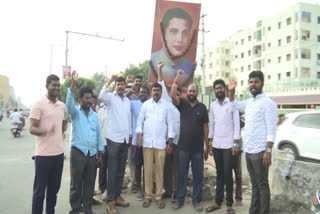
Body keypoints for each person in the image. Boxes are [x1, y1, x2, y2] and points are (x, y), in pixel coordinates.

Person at [228, 71, 277, 214]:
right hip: (248, 151)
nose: (253, 85)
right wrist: (231, 91)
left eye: (256, 82)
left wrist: (268, 151)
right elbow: (234, 105)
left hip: (261, 151)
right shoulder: (249, 102)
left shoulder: (268, 103)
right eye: (251, 82)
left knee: (262, 185)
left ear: (262, 83)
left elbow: (271, 130)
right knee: (254, 185)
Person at [170, 70, 209, 212]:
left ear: (197, 92)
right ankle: (180, 200)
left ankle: (196, 201)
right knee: (182, 175)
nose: (192, 93)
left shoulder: (203, 108)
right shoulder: (183, 104)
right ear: (187, 92)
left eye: (194, 91)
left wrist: (207, 146)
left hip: (198, 149)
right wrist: (177, 79)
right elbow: (172, 95)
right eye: (190, 91)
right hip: (183, 148)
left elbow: (205, 127)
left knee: (198, 176)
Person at [66, 71, 104, 214]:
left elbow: (98, 136)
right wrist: (73, 84)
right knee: (76, 184)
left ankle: (88, 209)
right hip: (78, 152)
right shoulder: (75, 112)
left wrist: (99, 155)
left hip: (91, 154)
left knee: (89, 183)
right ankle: (75, 209)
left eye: (90, 98)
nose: (89, 100)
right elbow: (69, 104)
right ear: (80, 99)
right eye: (86, 98)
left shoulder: (95, 116)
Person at [29, 74, 68, 214]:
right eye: (54, 85)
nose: (57, 87)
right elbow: (32, 128)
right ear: (47, 86)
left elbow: (64, 122)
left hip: (58, 155)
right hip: (43, 155)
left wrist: (61, 131)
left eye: (58, 85)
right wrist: (46, 130)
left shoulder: (62, 105)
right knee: (39, 192)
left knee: (53, 192)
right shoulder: (38, 104)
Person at [136, 82, 175, 209]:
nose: (156, 92)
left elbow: (171, 124)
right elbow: (140, 120)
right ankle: (148, 195)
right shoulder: (146, 105)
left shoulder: (167, 106)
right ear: (151, 91)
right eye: (154, 90)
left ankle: (158, 196)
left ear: (161, 92)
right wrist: (139, 133)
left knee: (159, 170)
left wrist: (170, 142)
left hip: (160, 143)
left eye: (158, 90)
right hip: (147, 142)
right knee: (147, 170)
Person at [205, 79, 240, 214]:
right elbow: (212, 125)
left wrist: (235, 143)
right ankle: (218, 201)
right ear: (214, 90)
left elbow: (236, 124)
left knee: (227, 174)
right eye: (216, 88)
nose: (218, 90)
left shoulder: (231, 103)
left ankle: (229, 204)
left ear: (225, 90)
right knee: (219, 174)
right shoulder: (213, 106)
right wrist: (210, 143)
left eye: (221, 88)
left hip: (229, 145)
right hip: (217, 144)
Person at [99, 74, 132, 214]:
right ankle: (110, 201)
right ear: (115, 86)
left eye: (122, 84)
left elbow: (128, 119)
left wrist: (130, 135)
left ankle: (117, 196)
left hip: (124, 140)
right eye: (117, 85)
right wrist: (110, 80)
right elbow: (101, 95)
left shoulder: (127, 101)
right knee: (112, 171)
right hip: (113, 140)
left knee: (120, 171)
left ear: (125, 86)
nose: (120, 87)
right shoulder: (111, 98)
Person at [151, 7, 195, 88]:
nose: (180, 39)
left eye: (185, 33)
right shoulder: (152, 61)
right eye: (174, 31)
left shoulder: (190, 67)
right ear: (162, 35)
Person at [157, 61, 180, 203]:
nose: (174, 95)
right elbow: (160, 83)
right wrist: (160, 69)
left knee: (176, 169)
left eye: (176, 94)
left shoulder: (182, 105)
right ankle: (167, 190)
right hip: (166, 142)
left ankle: (176, 193)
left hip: (178, 143)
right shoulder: (166, 102)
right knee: (166, 168)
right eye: (172, 93)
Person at [130, 86, 149, 200]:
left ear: (147, 94)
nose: (142, 94)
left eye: (144, 92)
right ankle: (139, 189)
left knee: (147, 166)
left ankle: (147, 189)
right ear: (138, 94)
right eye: (141, 92)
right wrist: (130, 91)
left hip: (148, 141)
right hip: (136, 142)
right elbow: (123, 100)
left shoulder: (151, 104)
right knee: (138, 166)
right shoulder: (133, 103)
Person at [125, 75, 143, 193]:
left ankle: (140, 183)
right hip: (130, 134)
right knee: (132, 160)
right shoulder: (128, 92)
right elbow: (121, 99)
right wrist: (128, 87)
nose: (137, 83)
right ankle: (132, 181)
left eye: (139, 81)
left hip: (143, 137)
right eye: (136, 81)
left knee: (139, 162)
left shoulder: (143, 98)